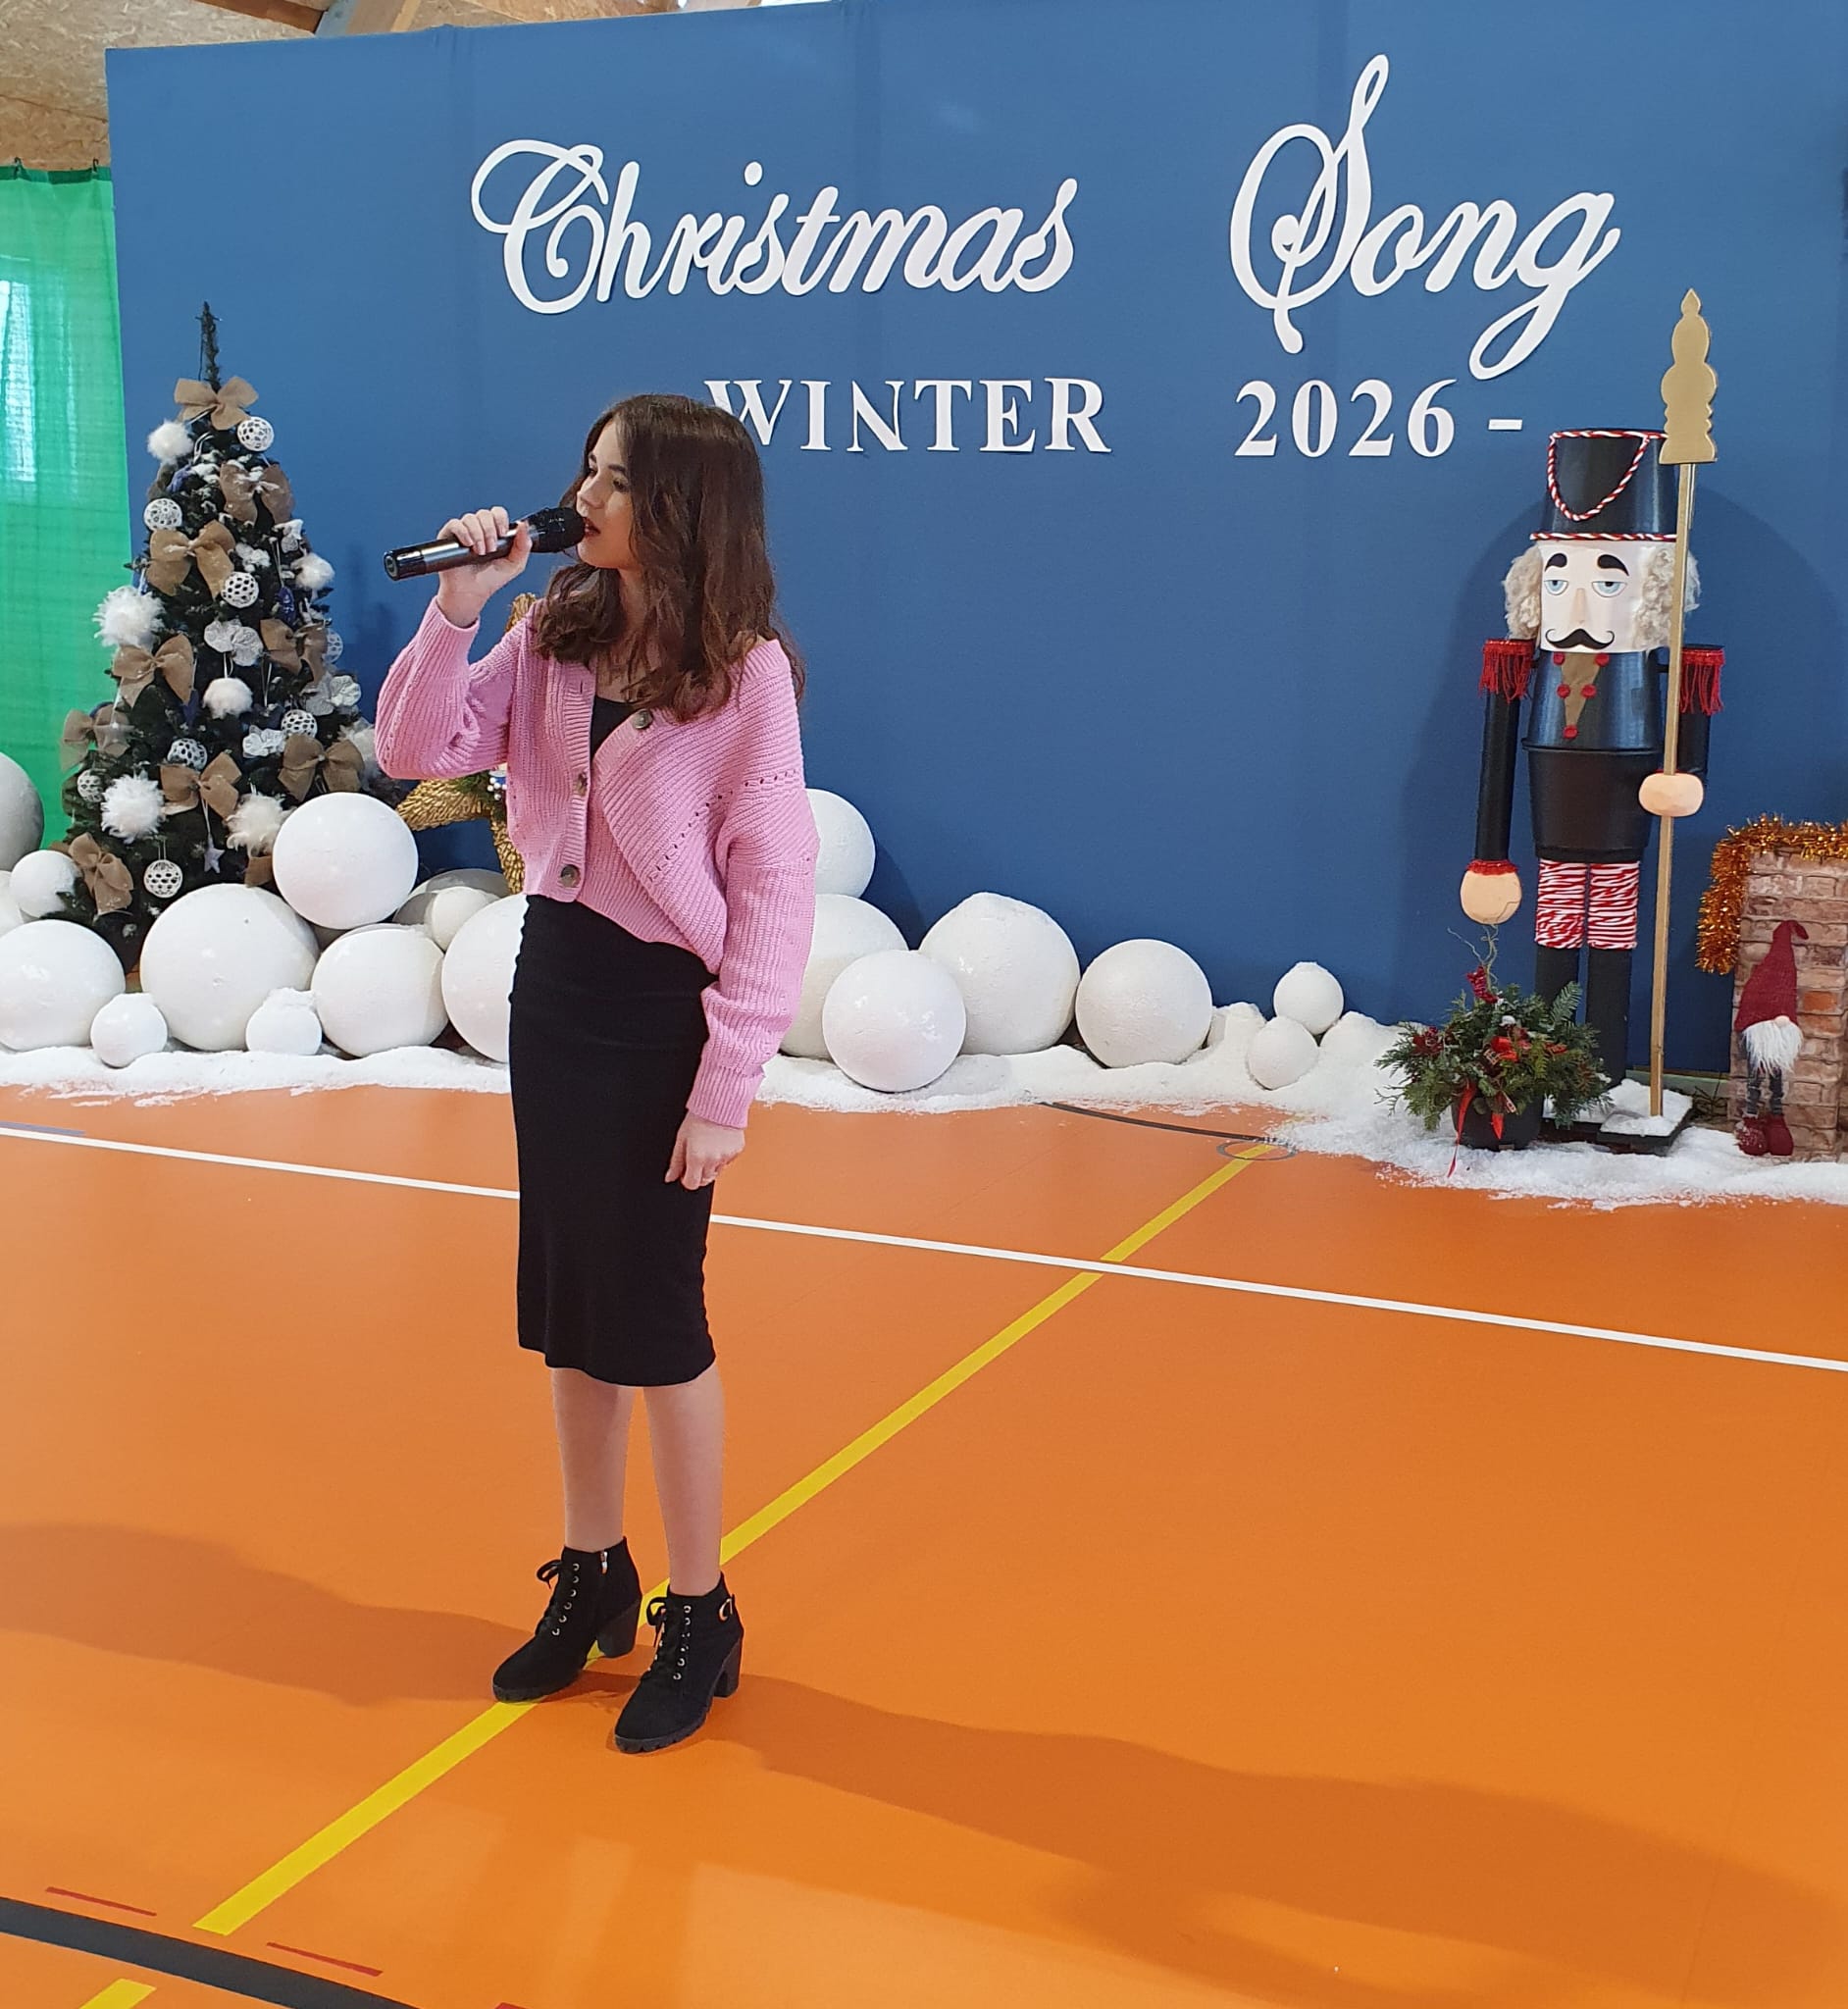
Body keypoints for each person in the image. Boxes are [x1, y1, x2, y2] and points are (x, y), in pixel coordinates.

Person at [375, 393, 818, 1754]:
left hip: (662, 1017)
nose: (584, 496)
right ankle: (591, 1571)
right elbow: (414, 752)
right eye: (587, 469)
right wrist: (454, 611)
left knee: (657, 1323)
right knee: (571, 1310)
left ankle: (700, 1606)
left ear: (681, 507)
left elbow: (775, 887)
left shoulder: (745, 676)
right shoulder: (549, 630)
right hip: (557, 990)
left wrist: (727, 1086)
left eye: (614, 479)